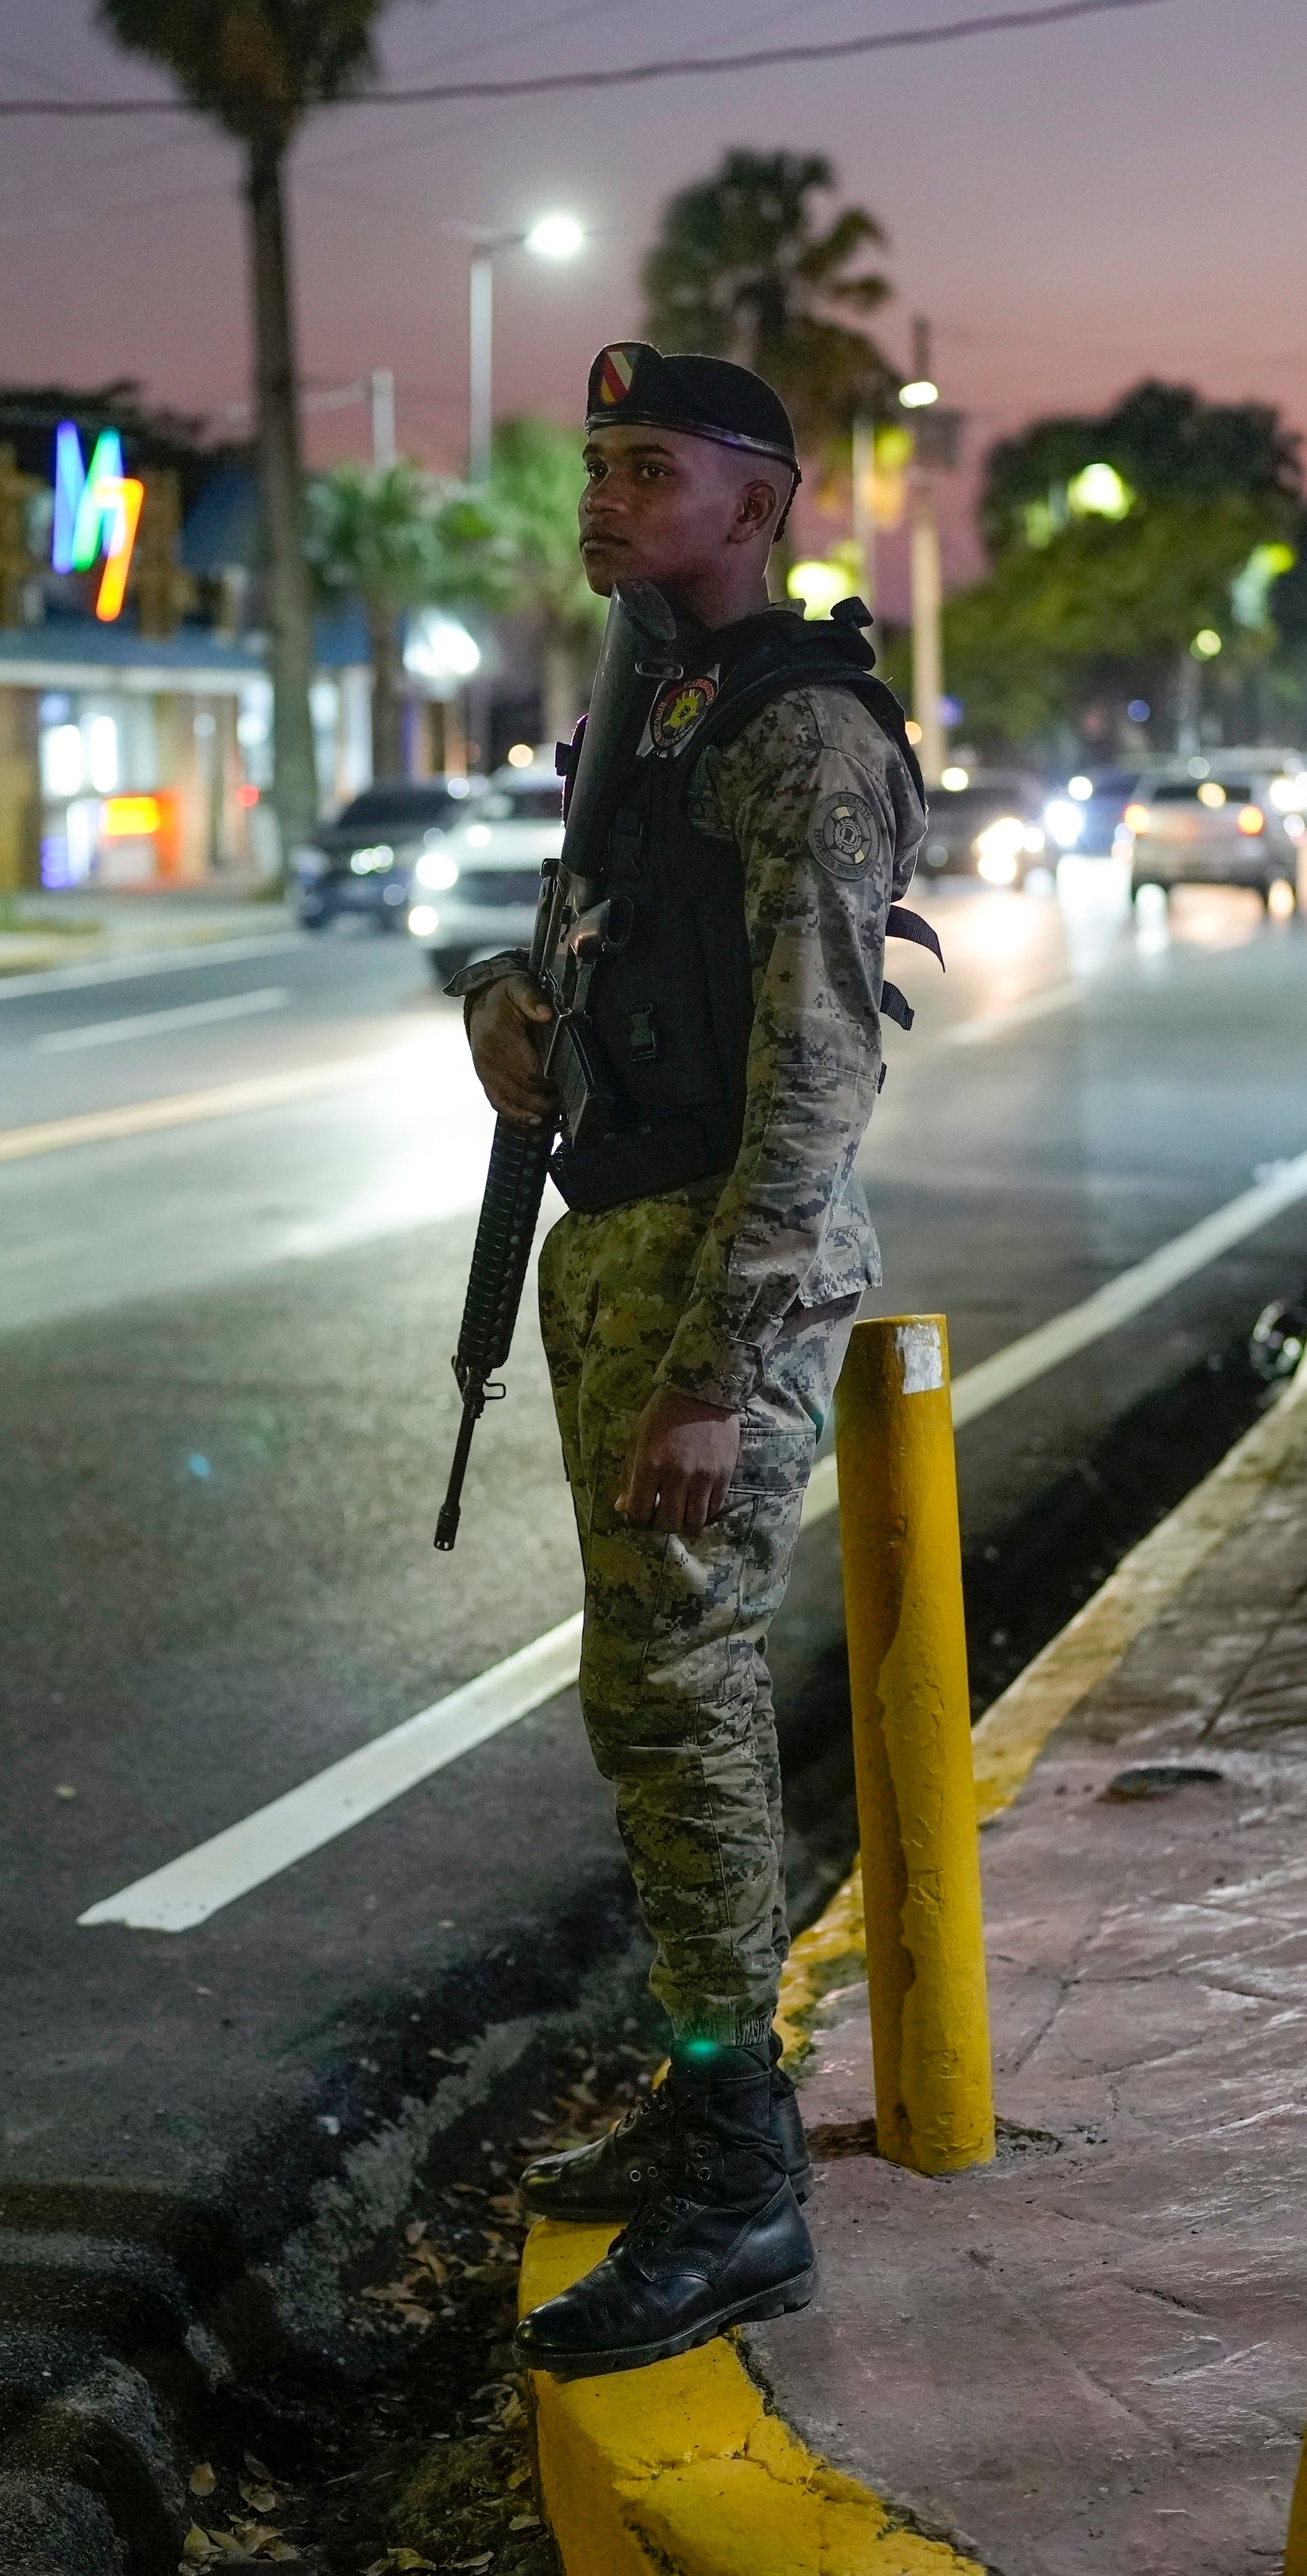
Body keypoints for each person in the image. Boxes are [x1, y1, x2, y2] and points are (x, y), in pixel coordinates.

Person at [450, 341, 925, 2379]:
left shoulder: (800, 735)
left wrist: (718, 1371)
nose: (604, 492)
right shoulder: (653, 702)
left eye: (650, 465)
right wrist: (505, 999)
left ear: (758, 503)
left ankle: (742, 2178)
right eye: (597, 461)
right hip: (619, 1240)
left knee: (684, 1690)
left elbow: (815, 1083)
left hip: (725, 1274)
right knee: (641, 1700)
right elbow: (593, 932)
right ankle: (701, 2074)